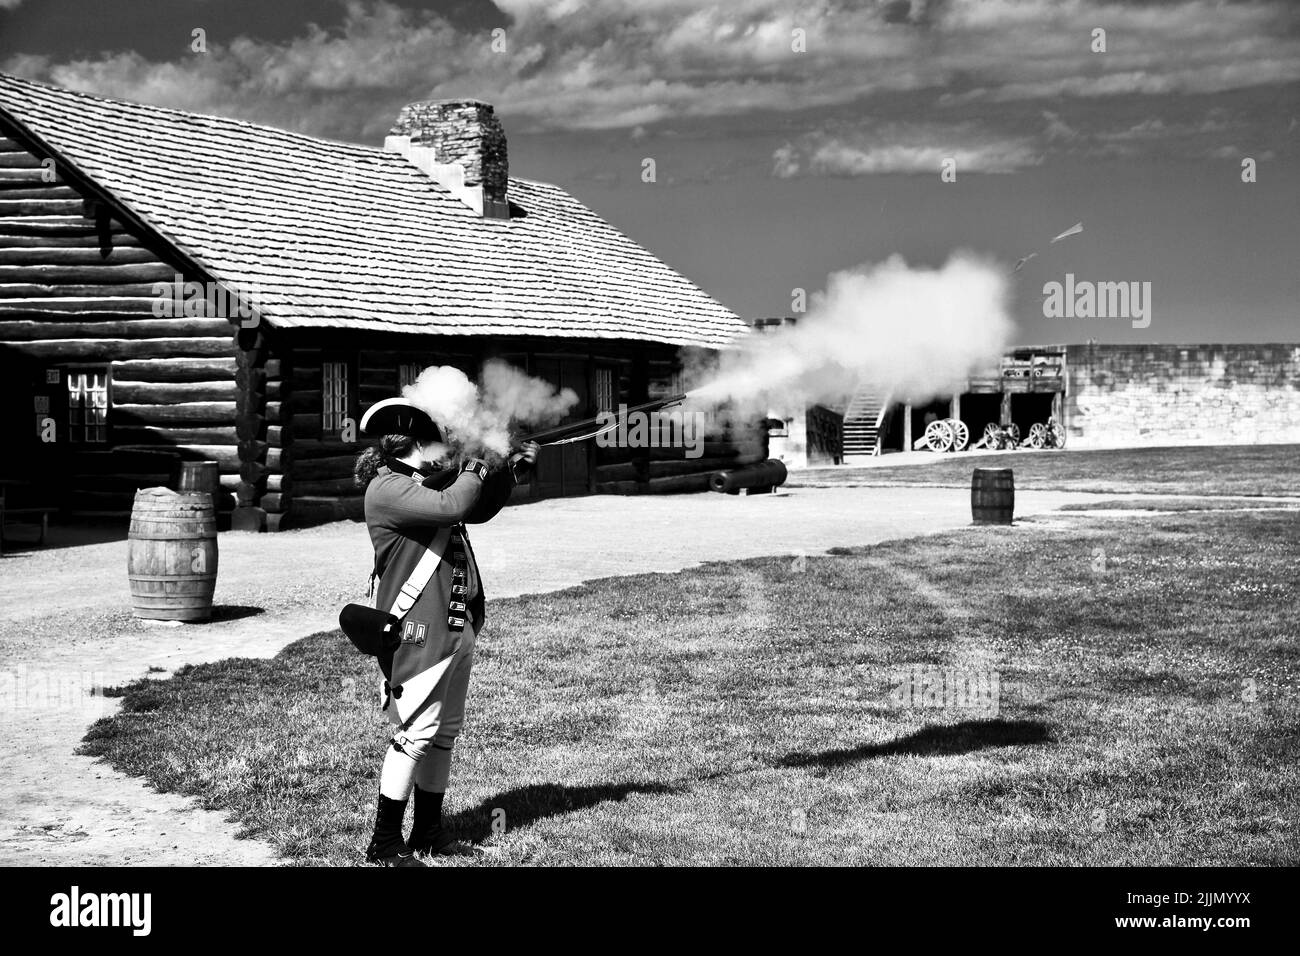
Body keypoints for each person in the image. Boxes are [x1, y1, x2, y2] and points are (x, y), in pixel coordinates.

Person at [352, 396, 539, 867]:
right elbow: (454, 501)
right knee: (413, 735)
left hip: (454, 624)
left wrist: (505, 468)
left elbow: (475, 509)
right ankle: (384, 844)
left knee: (442, 733)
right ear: (418, 441)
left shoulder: (417, 483)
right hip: (419, 630)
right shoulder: (388, 487)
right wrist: (477, 460)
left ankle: (429, 833)